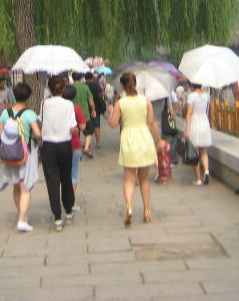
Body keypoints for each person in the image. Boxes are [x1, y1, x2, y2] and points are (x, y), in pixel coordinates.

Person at [108, 71, 167, 225]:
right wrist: (159, 140)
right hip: (144, 138)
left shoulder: (120, 103)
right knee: (144, 179)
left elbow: (113, 124)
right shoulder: (146, 101)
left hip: (128, 139)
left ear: (122, 86)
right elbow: (151, 122)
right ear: (135, 84)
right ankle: (146, 211)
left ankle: (129, 206)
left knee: (129, 179)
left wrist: (111, 112)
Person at [0, 82, 42, 232]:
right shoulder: (30, 114)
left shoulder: (6, 113)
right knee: (25, 187)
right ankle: (22, 221)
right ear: (28, 97)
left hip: (9, 154)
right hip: (25, 154)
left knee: (16, 186)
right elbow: (37, 134)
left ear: (14, 96)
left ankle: (22, 215)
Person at [40, 75, 79, 231]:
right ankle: (68, 211)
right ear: (63, 88)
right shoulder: (69, 104)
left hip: (48, 145)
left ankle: (57, 217)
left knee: (52, 181)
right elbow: (73, 127)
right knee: (66, 178)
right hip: (65, 144)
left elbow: (41, 121)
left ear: (49, 89)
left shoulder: (44, 103)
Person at [62, 84, 87, 203]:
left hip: (60, 144)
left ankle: (63, 197)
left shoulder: (57, 108)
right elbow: (83, 126)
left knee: (62, 173)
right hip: (75, 143)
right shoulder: (76, 108)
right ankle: (71, 201)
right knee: (74, 172)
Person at [185, 82, 212, 185]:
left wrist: (187, 129)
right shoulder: (206, 96)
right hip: (204, 122)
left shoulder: (191, 96)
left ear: (191, 86)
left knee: (194, 152)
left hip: (195, 123)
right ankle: (206, 170)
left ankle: (198, 179)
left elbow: (189, 114)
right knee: (203, 151)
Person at [71, 72, 96, 157]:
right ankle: (86, 148)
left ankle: (76, 151)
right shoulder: (85, 87)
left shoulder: (70, 87)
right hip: (85, 113)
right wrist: (93, 110)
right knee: (89, 132)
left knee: (76, 133)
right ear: (81, 78)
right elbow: (91, 100)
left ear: (72, 78)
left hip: (73, 113)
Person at [86, 72, 105, 150]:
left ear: (85, 78)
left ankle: (88, 143)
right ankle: (98, 142)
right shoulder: (97, 85)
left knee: (88, 125)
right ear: (92, 78)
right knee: (97, 125)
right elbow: (101, 95)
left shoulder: (85, 85)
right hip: (96, 107)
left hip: (87, 107)